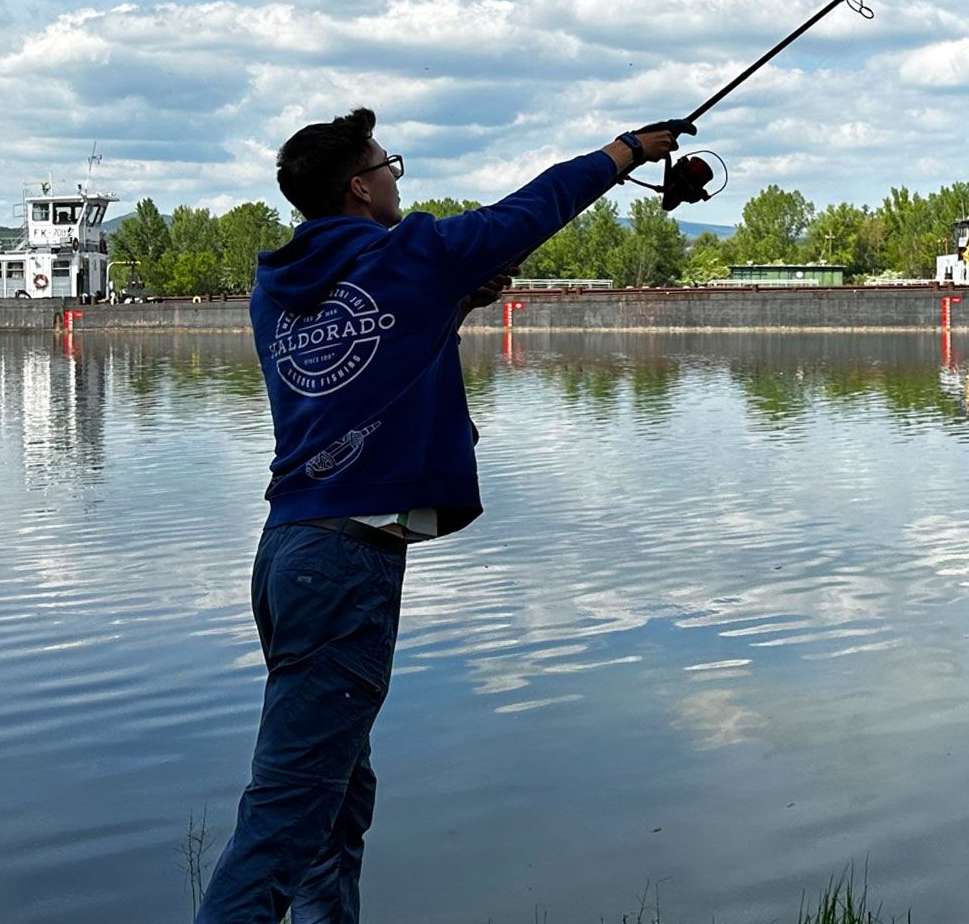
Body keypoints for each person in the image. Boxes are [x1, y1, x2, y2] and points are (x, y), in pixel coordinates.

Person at [197, 107, 682, 924]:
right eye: (389, 164)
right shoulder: (410, 254)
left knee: (336, 802)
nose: (396, 176)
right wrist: (628, 151)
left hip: (287, 553)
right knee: (286, 815)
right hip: (345, 562)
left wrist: (446, 307)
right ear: (359, 185)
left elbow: (362, 366)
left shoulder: (274, 290)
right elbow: (528, 212)